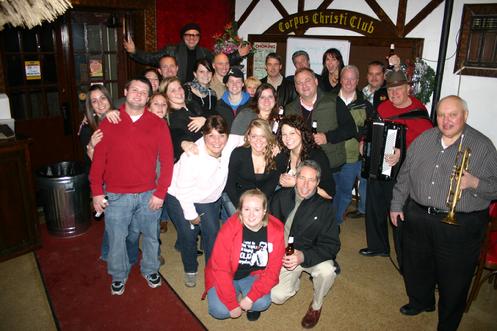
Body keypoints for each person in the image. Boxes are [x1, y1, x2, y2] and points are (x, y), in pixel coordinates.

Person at [390, 95, 497, 330]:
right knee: (416, 266)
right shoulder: (424, 139)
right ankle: (421, 301)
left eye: (453, 114)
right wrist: (397, 204)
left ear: (465, 116)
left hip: (460, 224)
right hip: (418, 215)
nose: (446, 120)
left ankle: (447, 324)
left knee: (454, 279)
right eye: (441, 114)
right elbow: (405, 174)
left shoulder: (483, 146)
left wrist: (475, 183)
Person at [90, 77, 174, 295]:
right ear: (125, 91)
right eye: (134, 90)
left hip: (149, 194)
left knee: (151, 236)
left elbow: (167, 161)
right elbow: (98, 160)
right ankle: (118, 274)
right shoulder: (110, 121)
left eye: (143, 92)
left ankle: (150, 268)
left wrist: (160, 193)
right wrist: (97, 193)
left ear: (148, 97)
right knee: (117, 238)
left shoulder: (158, 124)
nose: (138, 94)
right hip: (116, 195)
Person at [359, 70, 432, 258]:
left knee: (399, 211)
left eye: (399, 89)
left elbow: (426, 146)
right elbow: (369, 128)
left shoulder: (419, 112)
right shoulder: (383, 108)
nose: (394, 94)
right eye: (391, 90)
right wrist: (363, 142)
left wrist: (403, 152)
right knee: (374, 206)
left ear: (408, 89)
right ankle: (378, 246)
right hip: (378, 166)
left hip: (402, 172)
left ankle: (404, 255)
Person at [165, 115, 244, 288]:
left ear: (227, 135)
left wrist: (271, 144)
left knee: (213, 233)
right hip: (178, 196)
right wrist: (192, 216)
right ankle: (190, 268)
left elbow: (250, 138)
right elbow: (183, 191)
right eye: (211, 136)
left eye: (221, 135)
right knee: (188, 235)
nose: (217, 141)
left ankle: (213, 269)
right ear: (204, 135)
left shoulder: (230, 142)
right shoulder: (192, 157)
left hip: (206, 197)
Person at [269, 160, 340, 329]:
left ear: (318, 182)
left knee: (328, 271)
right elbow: (268, 229)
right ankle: (295, 279)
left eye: (311, 180)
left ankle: (316, 306)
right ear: (296, 177)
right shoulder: (280, 197)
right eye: (302, 178)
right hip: (284, 255)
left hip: (311, 254)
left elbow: (332, 245)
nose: (306, 185)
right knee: (276, 296)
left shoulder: (325, 208)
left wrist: (303, 256)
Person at [204, 189, 285, 321]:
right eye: (247, 209)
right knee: (219, 311)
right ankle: (235, 297)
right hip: (227, 275)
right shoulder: (229, 228)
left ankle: (245, 299)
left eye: (257, 210)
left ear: (265, 211)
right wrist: (231, 304)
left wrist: (251, 297)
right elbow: (220, 269)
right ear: (240, 210)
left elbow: (273, 270)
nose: (251, 215)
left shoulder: (276, 230)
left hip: (251, 275)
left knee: (262, 303)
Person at [285, 67, 356, 174]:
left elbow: (350, 129)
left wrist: (327, 137)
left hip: (332, 165)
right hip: (302, 168)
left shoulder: (333, 101)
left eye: (307, 80)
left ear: (316, 81)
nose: (304, 85)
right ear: (295, 87)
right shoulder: (289, 109)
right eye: (299, 83)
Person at [124, 23, 249, 83]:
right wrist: (135, 52)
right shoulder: (171, 50)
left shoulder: (204, 52)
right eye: (188, 35)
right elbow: (150, 58)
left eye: (195, 35)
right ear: (183, 37)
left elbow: (221, 63)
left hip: (198, 91)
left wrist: (238, 54)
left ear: (199, 37)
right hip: (177, 90)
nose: (192, 38)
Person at [332, 65, 372, 224]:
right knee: (329, 189)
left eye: (352, 78)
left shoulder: (365, 105)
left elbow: (370, 130)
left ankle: (336, 221)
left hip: (352, 157)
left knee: (345, 191)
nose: (348, 81)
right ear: (340, 80)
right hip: (331, 154)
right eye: (345, 78)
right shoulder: (330, 99)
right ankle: (326, 219)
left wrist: (361, 138)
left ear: (357, 81)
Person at [224, 119, 286, 216]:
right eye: (254, 136)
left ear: (268, 137)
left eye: (263, 136)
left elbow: (273, 182)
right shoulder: (238, 154)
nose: (258, 141)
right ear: (248, 137)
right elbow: (230, 184)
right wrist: (239, 207)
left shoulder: (276, 156)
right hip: (238, 196)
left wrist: (259, 205)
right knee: (240, 223)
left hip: (264, 196)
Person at [275, 115, 335, 199]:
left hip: (310, 203)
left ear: (302, 133)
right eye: (284, 134)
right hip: (287, 199)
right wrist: (279, 178)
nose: (287, 138)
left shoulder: (316, 156)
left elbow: (329, 194)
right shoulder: (283, 153)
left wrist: (297, 183)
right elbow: (273, 176)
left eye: (292, 133)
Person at [161, 77, 205, 161]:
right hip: (196, 158)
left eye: (179, 88)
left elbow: (213, 114)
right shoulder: (173, 117)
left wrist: (204, 119)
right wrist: (182, 142)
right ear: (166, 96)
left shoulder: (193, 105)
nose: (178, 92)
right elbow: (176, 134)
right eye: (173, 90)